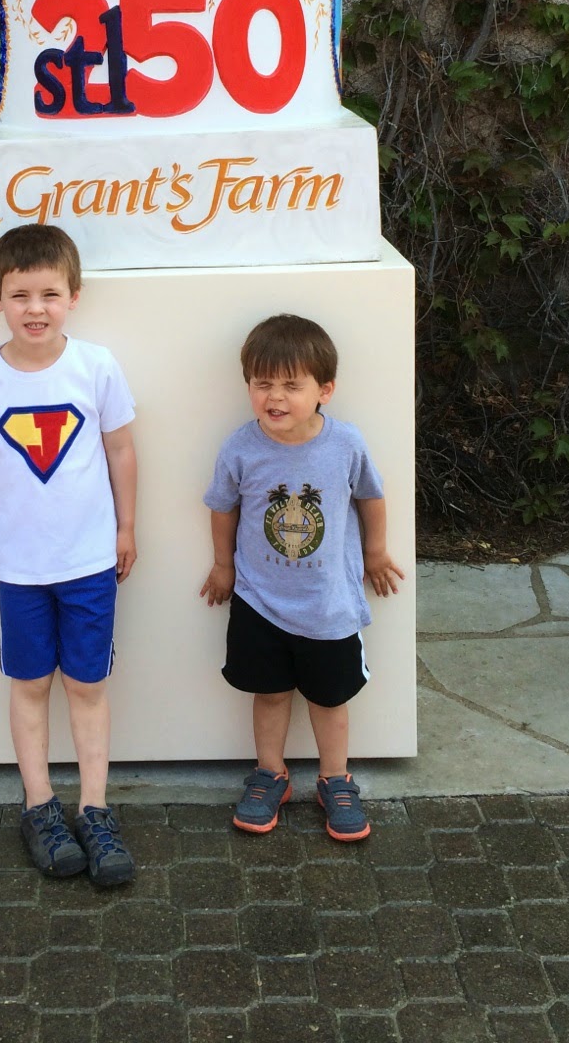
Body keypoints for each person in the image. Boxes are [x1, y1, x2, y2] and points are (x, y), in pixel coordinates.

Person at [0, 223, 138, 886]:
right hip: (21, 569)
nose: (35, 308)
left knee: (87, 684)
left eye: (50, 294)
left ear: (73, 296)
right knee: (29, 684)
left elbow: (120, 450)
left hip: (88, 564)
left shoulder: (96, 367)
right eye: (20, 294)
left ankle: (95, 810)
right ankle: (39, 806)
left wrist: (126, 527)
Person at [200, 314, 404, 841]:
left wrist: (376, 554)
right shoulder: (240, 448)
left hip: (328, 604)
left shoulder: (345, 444)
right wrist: (222, 565)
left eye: (292, 385)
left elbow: (371, 497)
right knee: (269, 694)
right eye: (262, 383)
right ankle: (270, 774)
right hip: (258, 602)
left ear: (324, 391)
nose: (275, 397)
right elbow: (222, 508)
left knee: (329, 699)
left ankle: (336, 779)